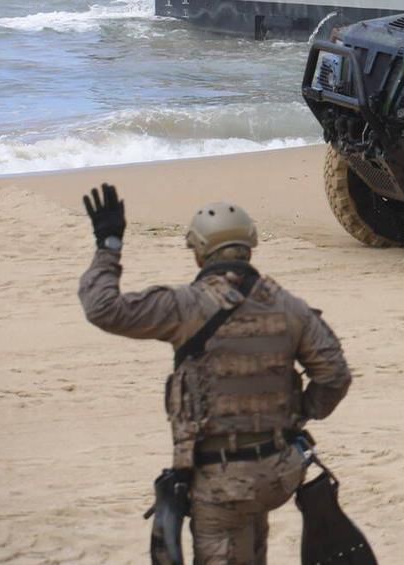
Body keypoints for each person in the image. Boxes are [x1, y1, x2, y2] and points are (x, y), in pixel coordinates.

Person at [79, 184, 351, 564]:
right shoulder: (289, 307)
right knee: (252, 537)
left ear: (200, 251)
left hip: (221, 483)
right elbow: (334, 375)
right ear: (250, 246)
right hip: (277, 472)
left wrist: (108, 245)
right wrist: (297, 415)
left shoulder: (186, 306)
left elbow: (102, 308)